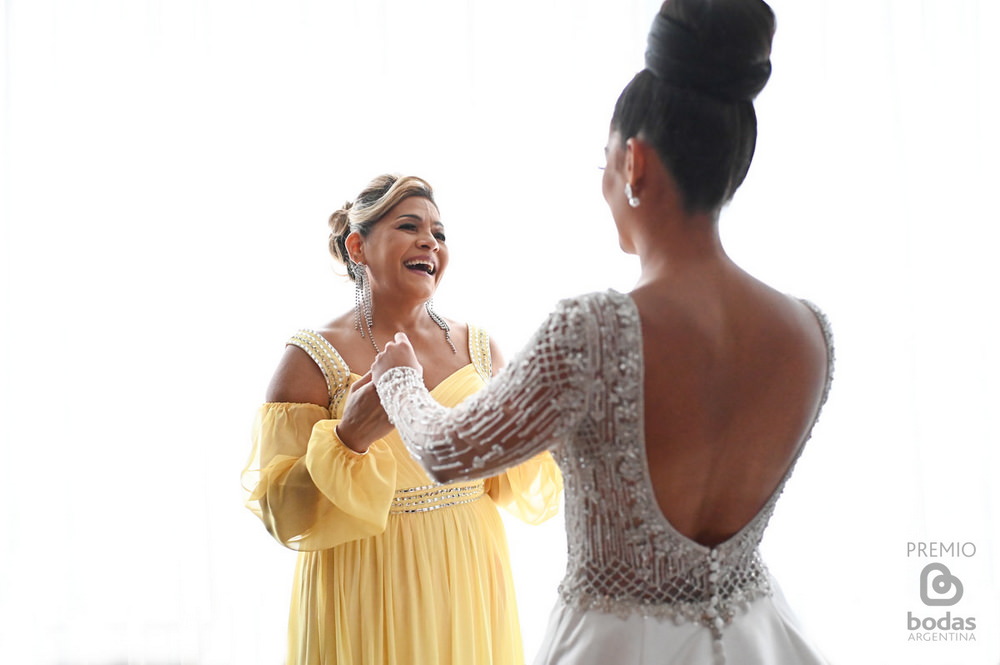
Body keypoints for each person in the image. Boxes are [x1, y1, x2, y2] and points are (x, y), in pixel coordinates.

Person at [369, 2, 832, 664]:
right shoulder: (809, 332)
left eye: (604, 161)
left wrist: (398, 376)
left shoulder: (595, 331)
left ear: (634, 163)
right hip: (760, 640)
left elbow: (447, 452)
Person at [241, 174, 563, 665]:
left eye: (439, 233)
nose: (429, 241)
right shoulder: (308, 358)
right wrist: (349, 437)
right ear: (358, 246)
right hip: (365, 581)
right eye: (409, 226)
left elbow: (514, 478)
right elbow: (283, 514)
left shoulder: (480, 347)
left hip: (469, 568)